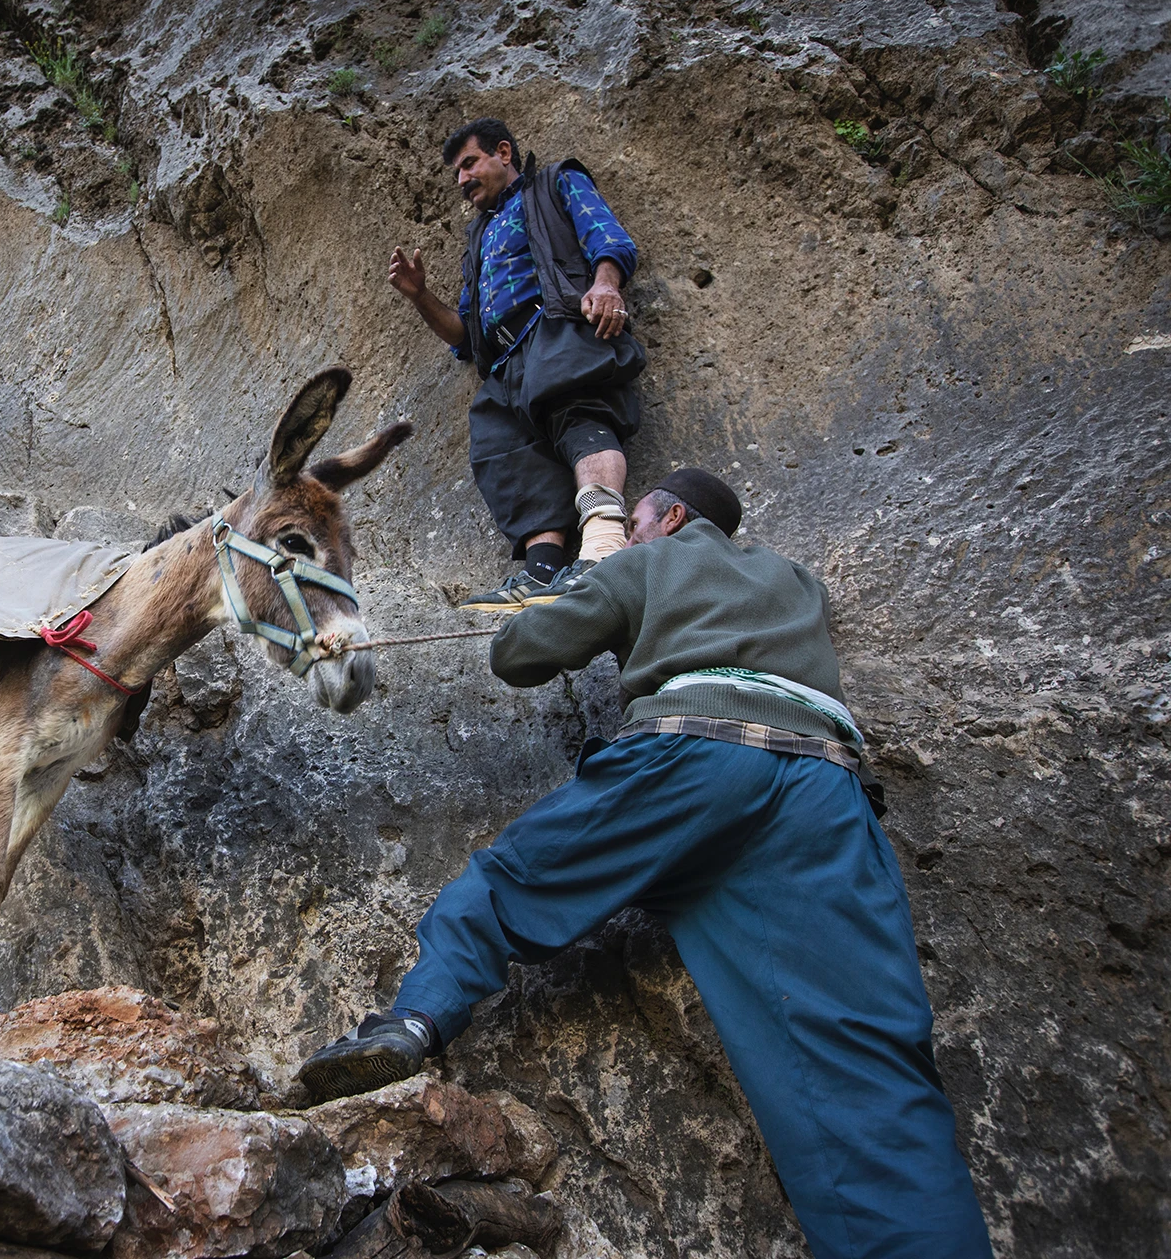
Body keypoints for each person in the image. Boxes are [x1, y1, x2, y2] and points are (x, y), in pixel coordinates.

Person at [297, 469, 994, 1259]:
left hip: (694, 759)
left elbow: (521, 653)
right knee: (866, 1074)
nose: (627, 535)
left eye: (634, 522)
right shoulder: (796, 583)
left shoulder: (649, 562)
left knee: (506, 883)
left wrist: (578, 599)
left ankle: (414, 1019)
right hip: (825, 791)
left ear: (672, 520)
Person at [389, 118, 646, 610]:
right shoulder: (478, 238)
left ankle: (602, 547)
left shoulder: (554, 183)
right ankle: (541, 572)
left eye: (469, 163)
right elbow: (464, 336)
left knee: (579, 415)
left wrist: (606, 283)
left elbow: (607, 237)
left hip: (558, 329)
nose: (462, 180)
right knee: (504, 451)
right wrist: (421, 297)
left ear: (503, 152)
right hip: (504, 362)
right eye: (457, 174)